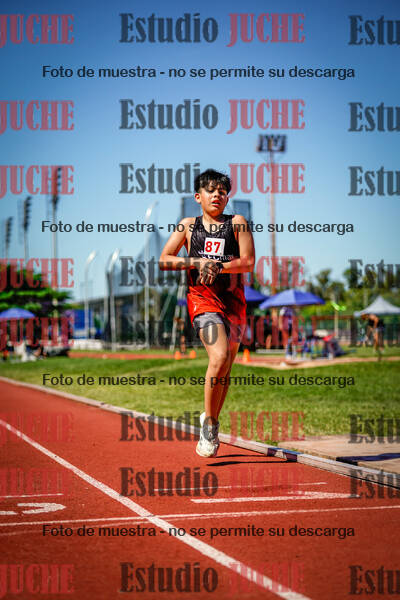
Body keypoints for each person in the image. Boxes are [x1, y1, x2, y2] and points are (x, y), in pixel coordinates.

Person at [159, 169, 255, 457]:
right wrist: (196, 262)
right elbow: (164, 260)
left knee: (225, 368)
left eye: (222, 192)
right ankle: (210, 426)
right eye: (211, 191)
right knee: (219, 356)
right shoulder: (188, 226)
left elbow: (248, 261)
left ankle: (210, 417)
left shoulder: (237, 223)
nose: (217, 195)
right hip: (203, 301)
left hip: (234, 303)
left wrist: (218, 266)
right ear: (198, 197)